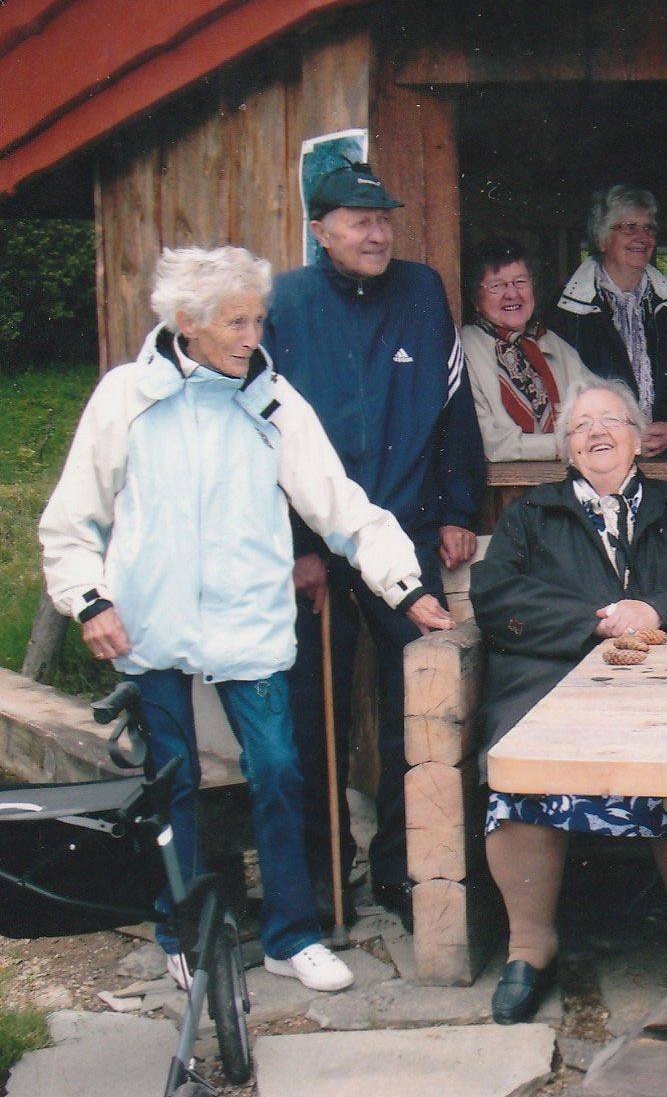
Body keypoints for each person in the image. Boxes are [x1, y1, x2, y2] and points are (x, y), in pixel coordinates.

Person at [39, 246, 455, 993]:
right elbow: (71, 520)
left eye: (257, 319)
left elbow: (341, 506)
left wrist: (403, 585)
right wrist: (90, 601)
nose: (252, 335)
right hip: (151, 621)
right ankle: (182, 928)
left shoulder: (273, 402)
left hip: (247, 622)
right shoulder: (125, 398)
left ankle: (289, 936)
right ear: (187, 324)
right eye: (236, 321)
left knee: (279, 770)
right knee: (175, 782)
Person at [471, 378, 667, 1025]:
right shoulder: (532, 515)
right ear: (567, 448)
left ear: (637, 438)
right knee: (524, 756)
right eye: (581, 425)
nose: (596, 432)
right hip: (552, 680)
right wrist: (593, 621)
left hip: (661, 683)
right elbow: (497, 597)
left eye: (611, 421)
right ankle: (530, 948)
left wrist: (655, 609)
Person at [265, 161, 485, 926]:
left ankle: (401, 870)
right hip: (318, 552)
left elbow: (456, 406)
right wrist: (298, 546)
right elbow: (265, 436)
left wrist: (459, 506)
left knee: (413, 715)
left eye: (384, 218)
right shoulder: (286, 303)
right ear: (319, 231)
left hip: (407, 539)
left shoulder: (421, 292)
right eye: (359, 221)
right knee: (312, 718)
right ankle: (326, 880)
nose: (377, 232)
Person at [544, 186, 667, 460]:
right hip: (595, 463)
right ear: (601, 239)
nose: (642, 237)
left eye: (649, 229)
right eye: (629, 227)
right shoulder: (566, 310)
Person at [461, 237, 590, 461]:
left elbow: (598, 406)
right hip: (497, 490)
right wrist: (566, 444)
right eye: (496, 285)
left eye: (520, 282)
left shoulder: (554, 345)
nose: (512, 294)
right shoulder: (465, 348)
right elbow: (490, 444)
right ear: (475, 298)